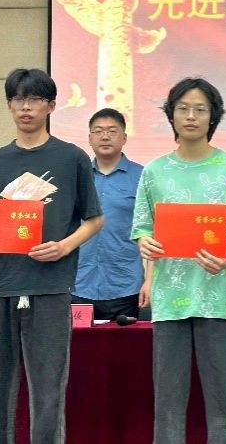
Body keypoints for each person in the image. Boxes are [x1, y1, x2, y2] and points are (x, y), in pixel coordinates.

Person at [0, 68, 103, 444]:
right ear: (9, 106)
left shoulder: (72, 158)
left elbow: (94, 219)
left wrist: (64, 246)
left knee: (48, 389)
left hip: (50, 286)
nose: (26, 107)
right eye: (18, 99)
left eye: (35, 99)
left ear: (50, 106)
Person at [132, 77, 226, 444]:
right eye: (183, 109)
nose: (191, 116)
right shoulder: (154, 170)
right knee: (168, 402)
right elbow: (142, 227)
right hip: (170, 297)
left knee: (222, 402)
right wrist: (146, 243)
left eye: (200, 109)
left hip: (219, 294)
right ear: (171, 115)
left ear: (213, 117)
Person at [72, 108, 146, 320]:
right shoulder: (76, 176)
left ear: (124, 137)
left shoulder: (143, 177)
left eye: (112, 131)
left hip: (125, 285)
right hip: (79, 282)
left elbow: (152, 229)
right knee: (77, 342)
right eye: (98, 131)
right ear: (89, 138)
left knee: (123, 342)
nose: (105, 136)